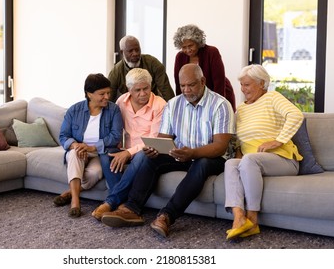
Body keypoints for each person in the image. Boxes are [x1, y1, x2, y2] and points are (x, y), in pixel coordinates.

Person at [101, 63, 235, 237]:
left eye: (191, 85)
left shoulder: (220, 105)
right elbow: (164, 138)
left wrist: (193, 153)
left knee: (201, 164)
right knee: (148, 158)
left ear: (202, 81)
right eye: (182, 86)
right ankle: (131, 209)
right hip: (181, 153)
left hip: (212, 157)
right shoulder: (173, 104)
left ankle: (167, 216)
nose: (186, 90)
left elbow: (220, 146)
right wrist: (155, 149)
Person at [224, 64, 304, 240]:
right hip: (253, 161)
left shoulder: (272, 98)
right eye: (242, 85)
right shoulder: (242, 109)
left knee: (249, 160)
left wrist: (278, 140)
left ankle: (252, 219)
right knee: (231, 164)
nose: (243, 89)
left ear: (262, 84)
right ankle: (239, 218)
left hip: (282, 159)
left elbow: (295, 115)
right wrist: (238, 153)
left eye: (247, 84)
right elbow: (238, 139)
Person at [92, 68, 167, 220]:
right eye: (137, 90)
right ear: (129, 89)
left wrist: (128, 153)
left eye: (146, 88)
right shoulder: (121, 102)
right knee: (106, 154)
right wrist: (120, 150)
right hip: (125, 148)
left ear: (150, 86)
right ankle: (124, 203)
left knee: (141, 156)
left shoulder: (160, 105)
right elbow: (117, 130)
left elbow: (153, 141)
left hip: (147, 152)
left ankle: (111, 201)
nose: (143, 93)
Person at [54, 73, 123, 218]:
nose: (107, 97)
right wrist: (76, 145)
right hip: (79, 151)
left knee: (94, 173)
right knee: (73, 154)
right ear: (89, 94)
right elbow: (63, 136)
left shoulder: (113, 110)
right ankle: (75, 201)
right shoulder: (74, 110)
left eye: (108, 93)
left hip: (100, 152)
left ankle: (71, 192)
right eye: (102, 94)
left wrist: (92, 147)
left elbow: (115, 136)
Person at [173, 24, 236, 111]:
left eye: (191, 46)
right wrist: (181, 105)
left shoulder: (212, 52)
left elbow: (219, 82)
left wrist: (218, 105)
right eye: (184, 47)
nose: (188, 50)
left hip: (218, 92)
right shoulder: (180, 57)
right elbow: (179, 83)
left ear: (198, 42)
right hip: (194, 97)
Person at [108, 35, 175, 103]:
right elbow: (109, 98)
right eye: (130, 51)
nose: (135, 54)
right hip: (128, 106)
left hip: (152, 104)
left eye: (137, 50)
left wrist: (173, 108)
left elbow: (166, 91)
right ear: (122, 52)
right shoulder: (115, 72)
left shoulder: (153, 64)